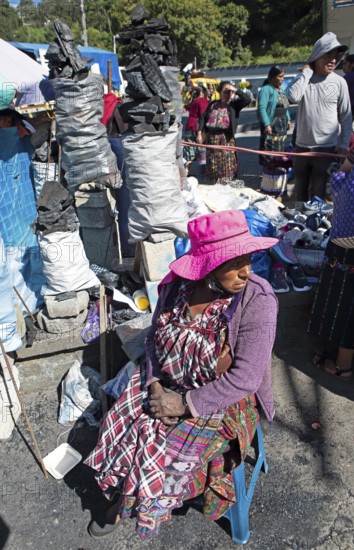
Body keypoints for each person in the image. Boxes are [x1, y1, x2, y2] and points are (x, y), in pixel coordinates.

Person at [85, 209, 279, 540]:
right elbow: (153, 339)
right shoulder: (177, 286)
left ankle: (133, 501)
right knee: (120, 426)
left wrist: (185, 404)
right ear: (207, 265)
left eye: (248, 258)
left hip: (221, 397)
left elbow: (245, 377)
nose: (246, 271)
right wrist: (156, 385)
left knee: (162, 451)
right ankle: (126, 492)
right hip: (165, 379)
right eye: (234, 262)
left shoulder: (257, 300)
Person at [287, 32, 352, 201]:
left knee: (319, 193)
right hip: (302, 147)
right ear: (316, 56)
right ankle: (299, 224)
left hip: (326, 149)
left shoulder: (339, 82)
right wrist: (306, 73)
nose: (333, 60)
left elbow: (346, 117)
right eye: (328, 55)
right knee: (299, 192)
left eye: (335, 56)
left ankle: (315, 225)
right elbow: (293, 96)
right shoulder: (303, 78)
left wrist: (344, 145)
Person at [309, 148, 354, 380]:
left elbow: (338, 178)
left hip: (346, 248)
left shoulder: (346, 183)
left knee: (346, 306)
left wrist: (349, 160)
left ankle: (342, 365)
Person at [197, 81, 251, 183]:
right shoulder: (213, 104)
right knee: (213, 165)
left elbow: (247, 100)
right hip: (212, 140)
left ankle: (227, 184)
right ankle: (214, 185)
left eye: (230, 92)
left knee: (227, 165)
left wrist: (235, 90)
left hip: (226, 139)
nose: (228, 94)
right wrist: (199, 132)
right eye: (225, 92)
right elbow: (203, 118)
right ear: (220, 92)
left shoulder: (234, 105)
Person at [257, 65, 292, 199]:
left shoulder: (281, 91)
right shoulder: (266, 90)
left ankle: (279, 188)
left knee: (280, 158)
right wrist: (266, 124)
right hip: (271, 127)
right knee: (270, 158)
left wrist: (288, 119)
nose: (282, 79)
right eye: (280, 76)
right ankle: (269, 190)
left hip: (281, 129)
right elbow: (262, 108)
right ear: (272, 77)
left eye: (283, 77)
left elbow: (285, 107)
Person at [183, 86, 209, 162]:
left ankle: (187, 171)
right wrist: (199, 133)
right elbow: (202, 117)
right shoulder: (202, 101)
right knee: (202, 150)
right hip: (197, 127)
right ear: (202, 93)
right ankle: (203, 171)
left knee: (190, 151)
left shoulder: (193, 101)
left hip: (189, 126)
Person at [342, 53, 354, 120]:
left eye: (345, 64)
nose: (343, 66)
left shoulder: (347, 78)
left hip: (350, 108)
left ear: (352, 64)